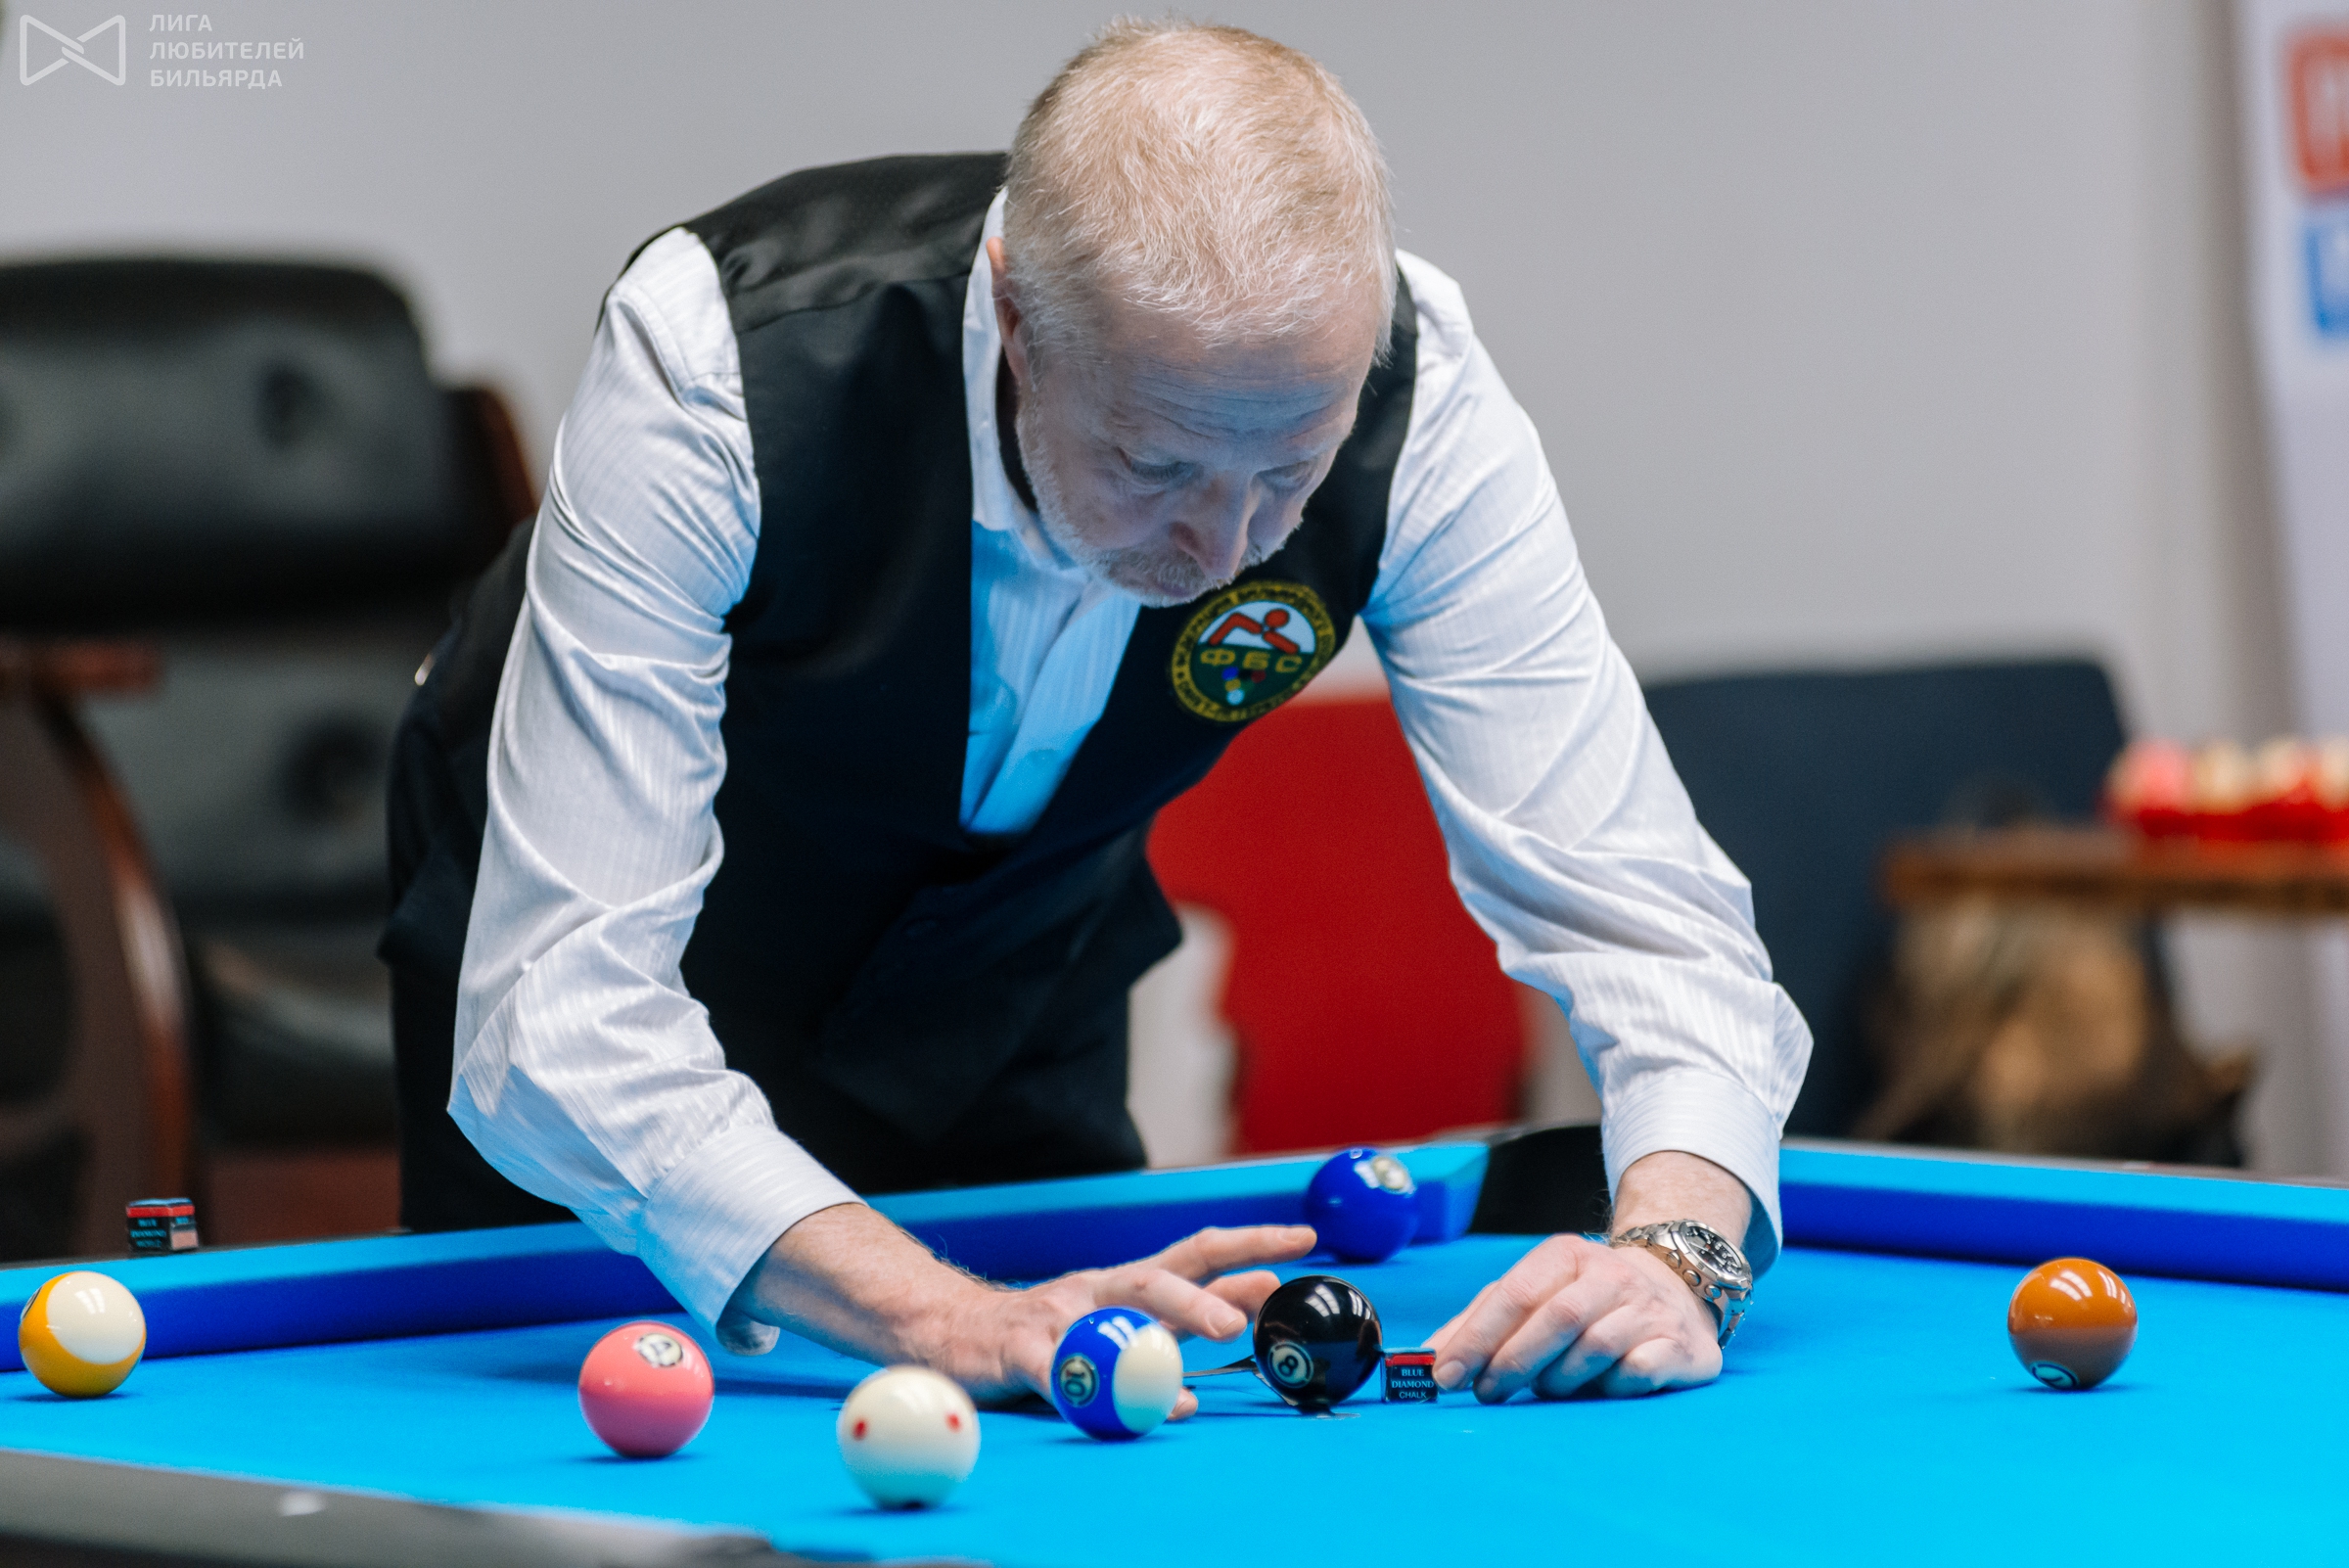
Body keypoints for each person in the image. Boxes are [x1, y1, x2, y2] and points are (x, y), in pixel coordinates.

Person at [384, 19, 1811, 1412]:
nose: (1228, 550)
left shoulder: (1415, 391)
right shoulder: (721, 359)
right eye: (1154, 464)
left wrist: (1678, 1254)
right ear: (1015, 316)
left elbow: (1647, 913)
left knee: (1077, 1433)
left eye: (1290, 473)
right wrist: (940, 1313)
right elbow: (565, 1009)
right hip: (634, 1025)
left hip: (1008, 986)